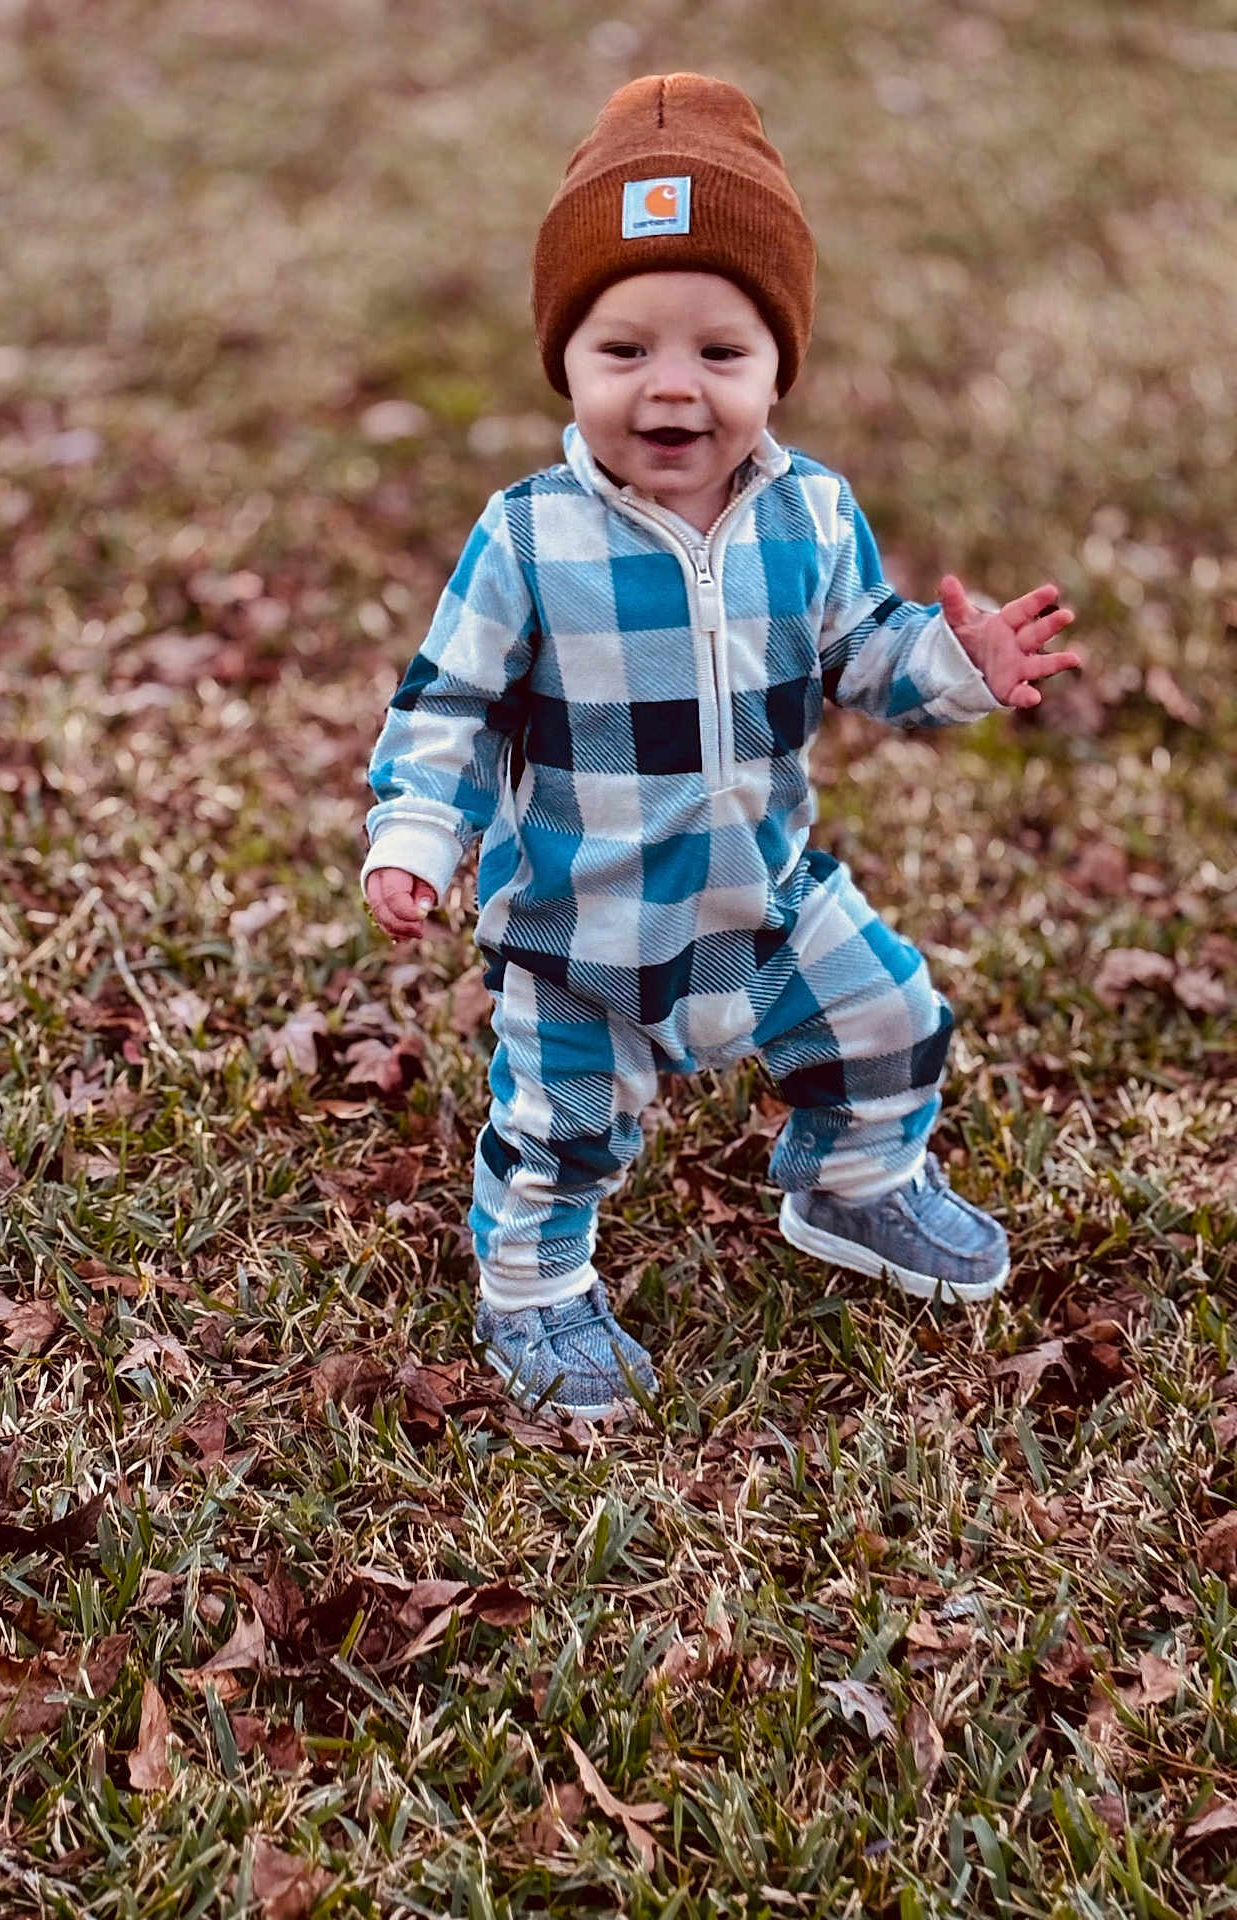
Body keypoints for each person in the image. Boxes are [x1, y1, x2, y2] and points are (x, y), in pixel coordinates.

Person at [361, 73, 1080, 1420]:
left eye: (720, 353)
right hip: (589, 924)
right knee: (561, 1130)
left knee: (890, 1017)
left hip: (764, 893)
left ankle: (854, 1184)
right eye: (623, 351)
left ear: (777, 366)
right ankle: (533, 1291)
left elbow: (864, 646)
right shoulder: (528, 536)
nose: (671, 389)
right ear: (566, 364)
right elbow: (448, 702)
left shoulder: (811, 512)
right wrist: (416, 832)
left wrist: (952, 663)